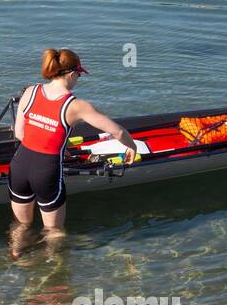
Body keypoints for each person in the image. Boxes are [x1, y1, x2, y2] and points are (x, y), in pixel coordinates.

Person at [9, 48, 137, 239]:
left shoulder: (30, 91)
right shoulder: (77, 106)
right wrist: (132, 147)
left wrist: (57, 145)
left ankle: (17, 258)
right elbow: (117, 131)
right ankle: (52, 267)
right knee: (54, 232)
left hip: (19, 165)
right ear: (71, 74)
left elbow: (19, 133)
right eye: (79, 74)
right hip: (46, 170)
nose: (78, 79)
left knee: (22, 225)